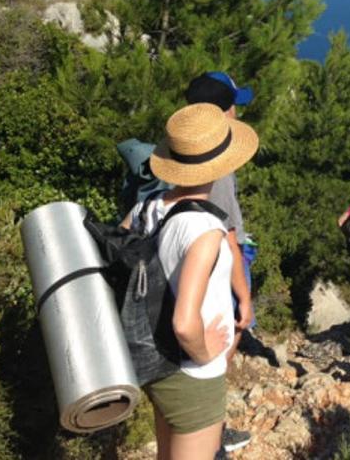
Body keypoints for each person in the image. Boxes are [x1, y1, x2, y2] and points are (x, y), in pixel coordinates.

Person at [121, 102, 258, 460]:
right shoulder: (205, 230)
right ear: (223, 163)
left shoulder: (147, 206)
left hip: (156, 359)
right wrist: (205, 351)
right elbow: (185, 323)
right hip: (191, 374)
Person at [184, 71, 256, 453]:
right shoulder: (219, 165)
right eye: (234, 107)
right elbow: (227, 230)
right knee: (227, 335)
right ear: (223, 113)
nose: (238, 113)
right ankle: (213, 429)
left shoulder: (178, 153)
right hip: (221, 258)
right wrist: (243, 293)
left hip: (191, 256)